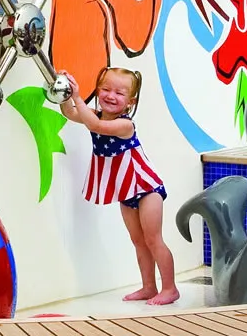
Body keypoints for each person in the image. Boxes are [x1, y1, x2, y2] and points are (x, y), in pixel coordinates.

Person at [57, 68, 178, 305]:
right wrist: (63, 90)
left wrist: (78, 96)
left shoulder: (125, 125)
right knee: (138, 240)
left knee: (153, 239)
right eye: (105, 89)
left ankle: (170, 288)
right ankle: (149, 287)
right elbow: (71, 113)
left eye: (119, 93)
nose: (111, 96)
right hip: (126, 190)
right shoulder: (95, 115)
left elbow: (95, 126)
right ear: (98, 90)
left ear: (130, 102)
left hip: (146, 189)